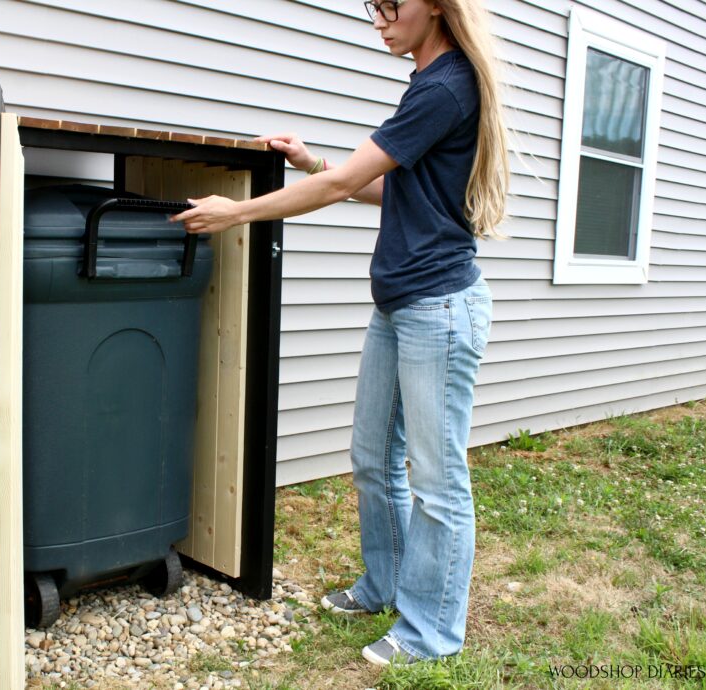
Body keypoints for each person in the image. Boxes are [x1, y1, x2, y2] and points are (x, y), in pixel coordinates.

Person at [171, 0, 510, 669]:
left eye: (393, 8)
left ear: (436, 7)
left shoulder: (445, 86)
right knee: (371, 457)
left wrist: (236, 211)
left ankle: (430, 633)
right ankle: (385, 587)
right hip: (402, 306)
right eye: (374, 10)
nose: (381, 22)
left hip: (438, 309)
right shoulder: (430, 82)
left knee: (438, 481)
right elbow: (393, 188)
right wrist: (312, 162)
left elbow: (354, 180)